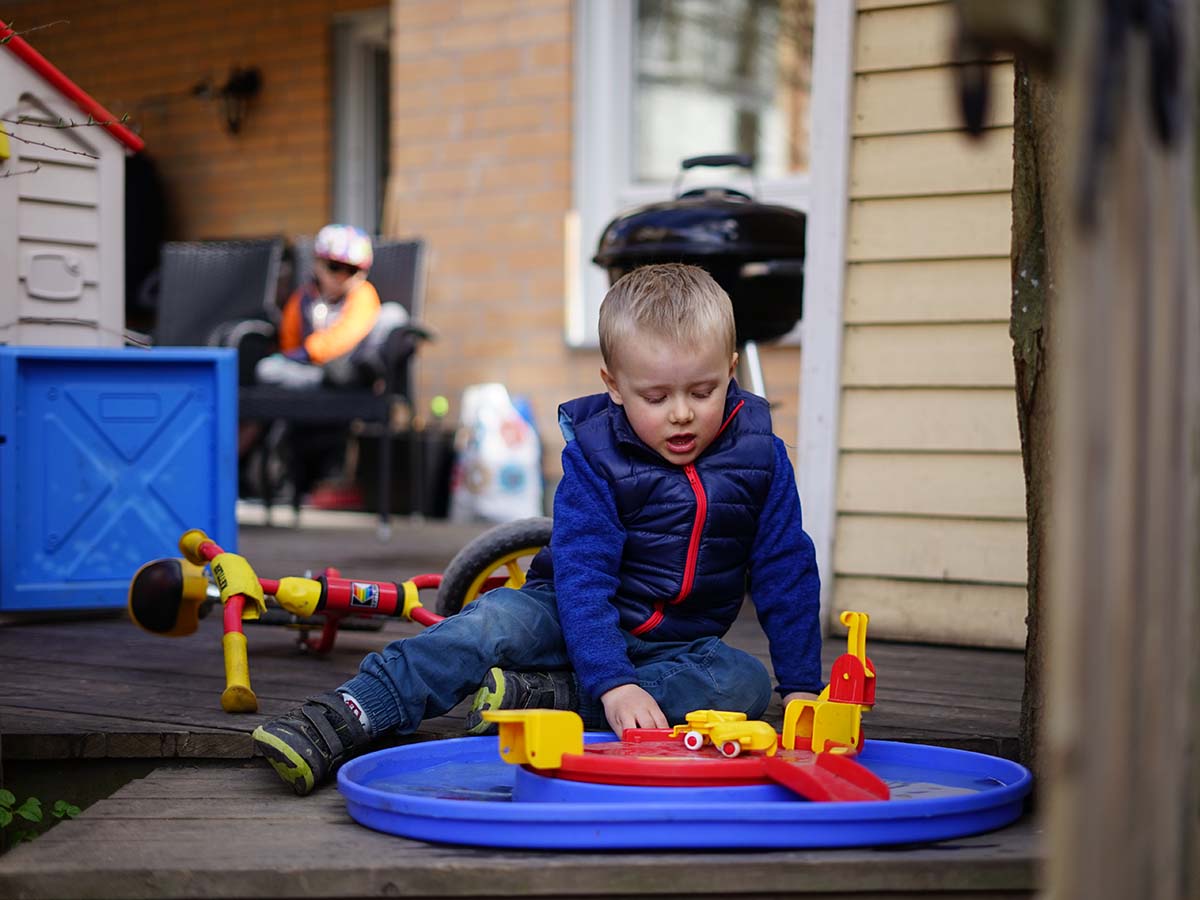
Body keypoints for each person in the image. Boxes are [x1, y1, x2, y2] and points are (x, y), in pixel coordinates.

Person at [252, 263, 822, 796]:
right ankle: (350, 710)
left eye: (702, 392)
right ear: (615, 386)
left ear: (730, 372)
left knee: (741, 684)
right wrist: (613, 679)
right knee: (487, 625)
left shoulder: (760, 460)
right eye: (656, 396)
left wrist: (801, 686)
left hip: (674, 644)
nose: (681, 413)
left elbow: (785, 572)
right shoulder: (598, 460)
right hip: (563, 610)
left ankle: (550, 698)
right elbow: (584, 578)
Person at [253, 224, 383, 390]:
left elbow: (348, 333)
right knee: (267, 369)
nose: (341, 276)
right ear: (317, 264)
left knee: (392, 314)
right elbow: (289, 340)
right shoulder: (303, 298)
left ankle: (349, 380)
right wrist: (294, 357)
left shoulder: (363, 294)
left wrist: (308, 351)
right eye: (334, 267)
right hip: (316, 371)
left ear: (362, 274)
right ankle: (329, 381)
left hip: (352, 363)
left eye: (351, 270)